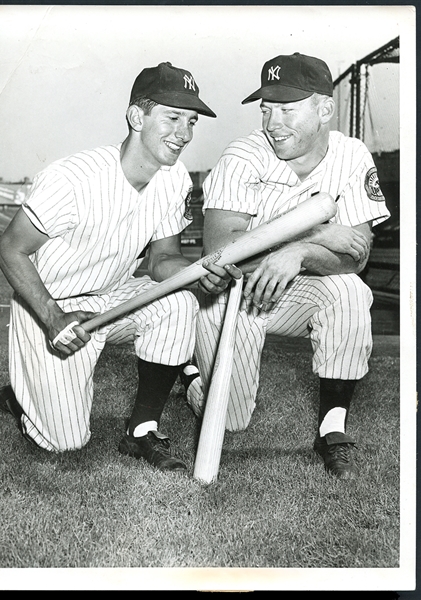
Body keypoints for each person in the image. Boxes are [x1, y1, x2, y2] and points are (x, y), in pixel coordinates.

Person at [0, 61, 241, 472]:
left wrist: (201, 271)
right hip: (52, 306)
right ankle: (21, 395)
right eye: (172, 117)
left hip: (114, 295)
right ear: (137, 116)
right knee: (63, 443)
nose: (185, 134)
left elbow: (160, 261)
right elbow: (9, 250)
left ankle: (142, 431)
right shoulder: (73, 177)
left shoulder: (173, 179)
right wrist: (51, 317)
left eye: (191, 121)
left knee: (178, 304)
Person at [184, 52, 390, 479]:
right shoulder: (243, 154)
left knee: (351, 292)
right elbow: (222, 253)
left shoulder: (352, 156)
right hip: (235, 293)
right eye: (266, 108)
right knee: (230, 419)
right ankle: (190, 376)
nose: (272, 121)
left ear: (324, 109)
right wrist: (312, 236)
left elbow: (356, 257)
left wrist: (298, 251)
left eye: (287, 108)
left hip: (297, 289)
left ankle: (333, 429)